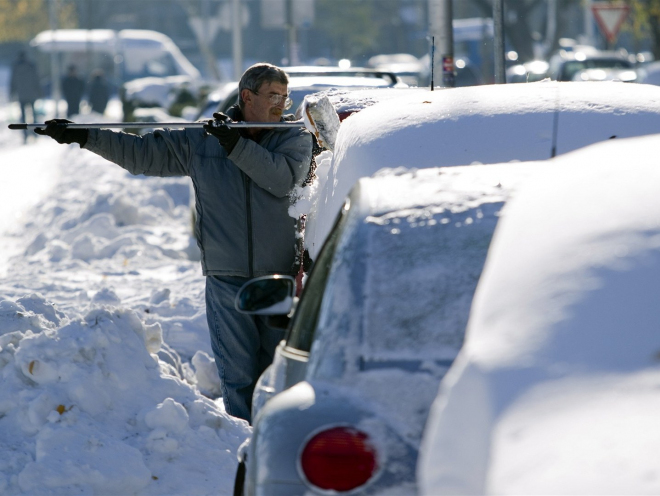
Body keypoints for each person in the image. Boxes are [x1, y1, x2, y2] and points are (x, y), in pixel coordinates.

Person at [35, 63, 313, 423]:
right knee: (239, 375)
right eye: (273, 96)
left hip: (279, 280)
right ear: (247, 97)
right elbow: (142, 154)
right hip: (226, 277)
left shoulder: (294, 138)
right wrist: (86, 136)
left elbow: (280, 179)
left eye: (284, 97)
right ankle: (245, 444)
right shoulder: (204, 140)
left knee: (276, 373)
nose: (281, 104)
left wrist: (235, 145)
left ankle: (275, 439)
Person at [9, 49, 41, 142]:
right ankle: (35, 132)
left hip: (22, 94)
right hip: (32, 94)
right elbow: (36, 80)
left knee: (23, 115)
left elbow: (13, 81)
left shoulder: (16, 66)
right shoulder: (31, 65)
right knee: (33, 114)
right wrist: (39, 92)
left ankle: (25, 134)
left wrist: (12, 93)